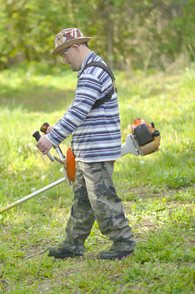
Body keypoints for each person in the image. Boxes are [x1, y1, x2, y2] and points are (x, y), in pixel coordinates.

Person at [35, 28, 136, 260]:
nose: (63, 60)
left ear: (76, 48)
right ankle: (73, 244)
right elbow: (83, 109)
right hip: (87, 150)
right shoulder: (90, 69)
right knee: (82, 200)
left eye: (64, 54)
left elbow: (78, 111)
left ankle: (123, 242)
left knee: (102, 198)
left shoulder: (92, 72)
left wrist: (52, 138)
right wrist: (56, 130)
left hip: (96, 151)